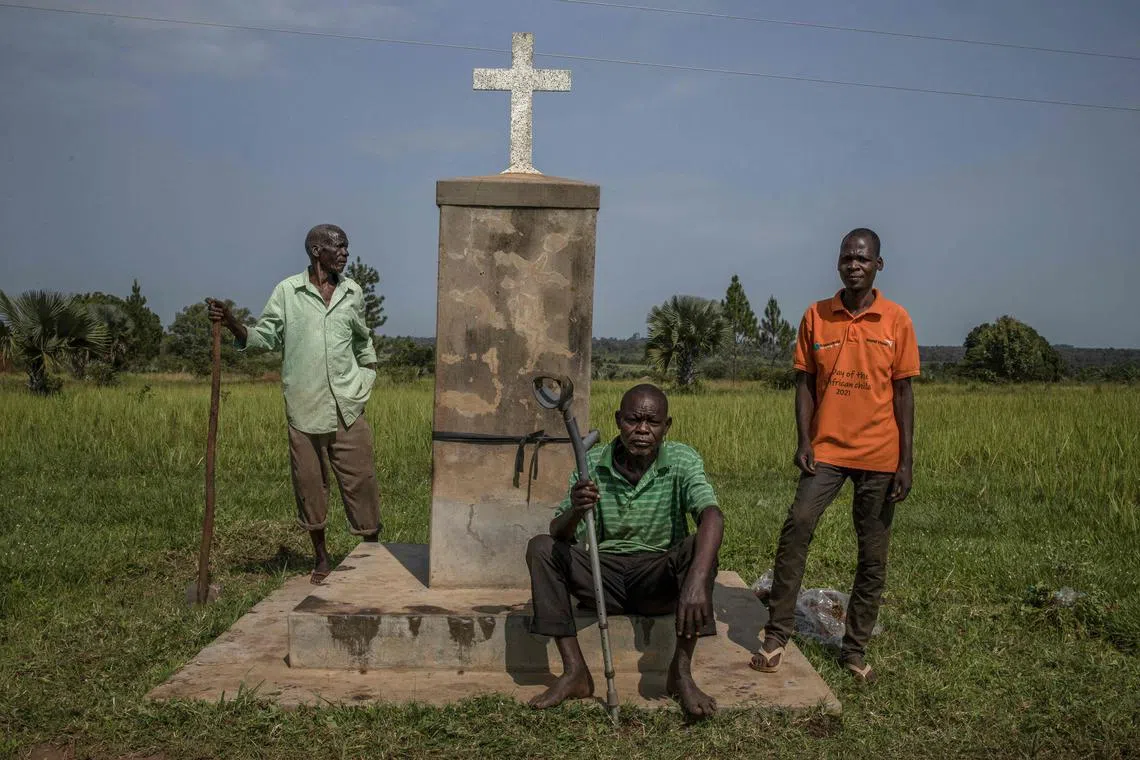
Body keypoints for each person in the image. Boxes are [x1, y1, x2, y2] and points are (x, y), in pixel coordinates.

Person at [751, 227, 918, 684]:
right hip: (826, 449)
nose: (854, 265)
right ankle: (777, 634)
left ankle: (854, 648)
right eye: (847, 257)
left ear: (878, 265)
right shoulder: (817, 316)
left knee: (872, 553)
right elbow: (804, 384)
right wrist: (804, 440)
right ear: (838, 263)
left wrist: (905, 460)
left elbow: (903, 394)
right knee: (798, 524)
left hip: (881, 455)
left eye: (863, 258)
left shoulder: (896, 320)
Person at [525, 383, 725, 718]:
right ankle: (575, 671)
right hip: (605, 577)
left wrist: (696, 581)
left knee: (699, 548)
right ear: (619, 420)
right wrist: (575, 509)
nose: (643, 430)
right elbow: (557, 532)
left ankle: (681, 673)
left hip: (657, 576)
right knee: (542, 548)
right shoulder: (592, 462)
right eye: (633, 420)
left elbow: (712, 515)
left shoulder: (681, 459)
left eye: (653, 423)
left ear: (667, 426)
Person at [206, 223, 382, 584]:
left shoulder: (352, 291)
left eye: (347, 248)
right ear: (317, 251)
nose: (346, 254)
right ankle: (321, 558)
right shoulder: (288, 292)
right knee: (309, 483)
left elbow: (363, 340)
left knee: (361, 480)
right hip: (305, 406)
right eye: (340, 247)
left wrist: (367, 375)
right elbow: (265, 336)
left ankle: (372, 553)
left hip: (348, 405)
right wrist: (233, 323)